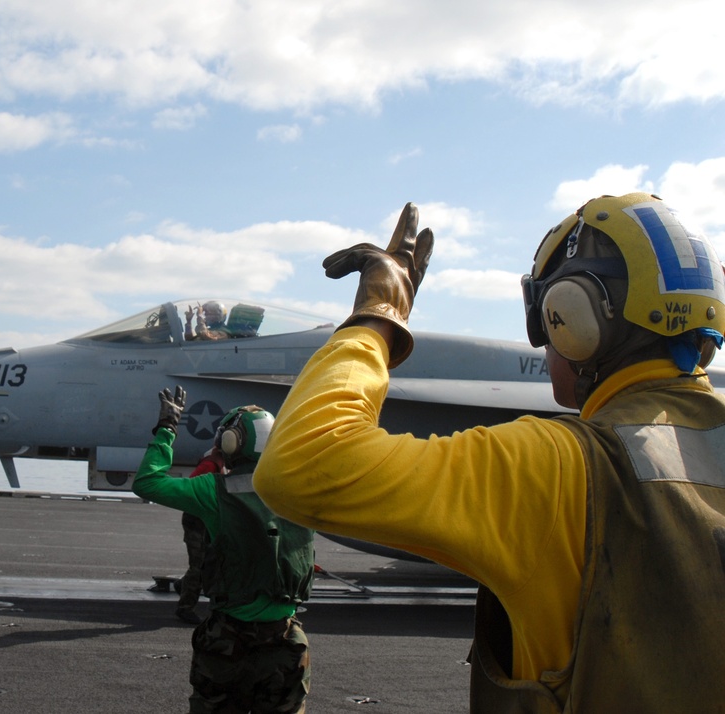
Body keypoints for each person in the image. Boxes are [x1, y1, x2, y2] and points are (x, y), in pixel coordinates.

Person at [253, 193, 725, 712]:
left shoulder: (557, 468)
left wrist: (377, 316)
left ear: (575, 315)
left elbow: (304, 465)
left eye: (544, 314)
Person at [134, 386, 315, 713]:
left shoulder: (214, 490)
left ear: (231, 442)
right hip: (286, 642)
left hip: (227, 642)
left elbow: (147, 483)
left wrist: (166, 429)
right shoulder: (303, 488)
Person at [175, 447, 226, 625]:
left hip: (205, 519)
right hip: (197, 521)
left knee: (209, 560)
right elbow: (192, 489)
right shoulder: (211, 464)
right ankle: (185, 608)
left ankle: (183, 586)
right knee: (198, 565)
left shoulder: (218, 460)